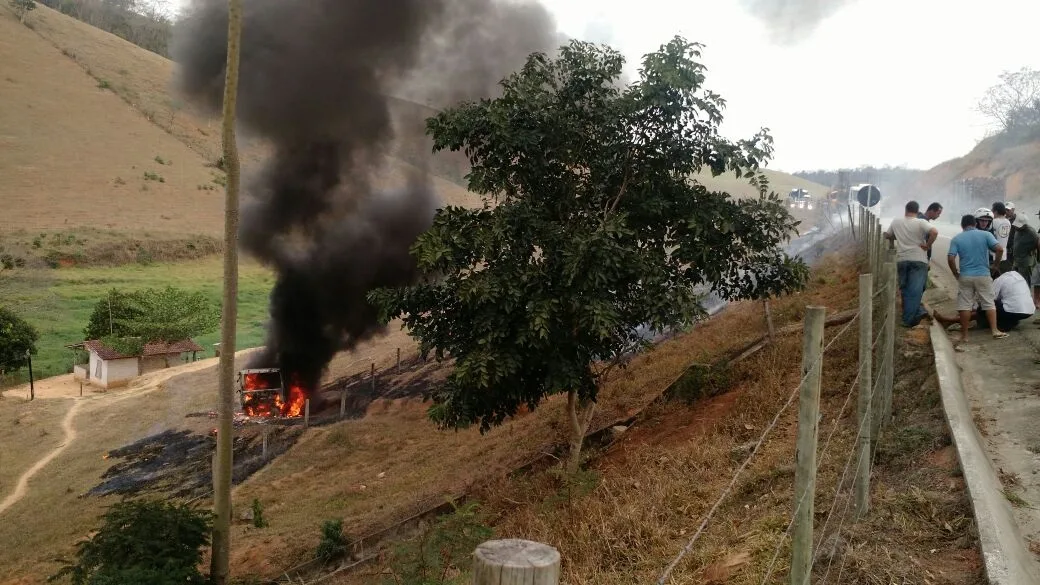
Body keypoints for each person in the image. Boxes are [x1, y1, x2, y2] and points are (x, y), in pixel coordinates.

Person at [947, 213, 1007, 344]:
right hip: (983, 275)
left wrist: (955, 273)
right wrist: (995, 265)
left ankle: (965, 336)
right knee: (988, 303)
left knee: (965, 305)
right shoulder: (985, 235)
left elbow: (951, 257)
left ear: (962, 225)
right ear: (975, 224)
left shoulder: (957, 238)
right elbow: (1000, 249)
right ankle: (995, 331)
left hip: (965, 276)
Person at [884, 201, 938, 327]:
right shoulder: (921, 222)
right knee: (916, 290)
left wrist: (895, 237)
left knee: (905, 289)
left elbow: (888, 235)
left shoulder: (896, 221)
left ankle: (913, 314)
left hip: (902, 259)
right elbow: (934, 232)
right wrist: (927, 245)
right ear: (917, 211)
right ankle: (909, 319)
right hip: (918, 260)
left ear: (905, 210)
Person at [933, 265, 1034, 332]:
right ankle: (1005, 324)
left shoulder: (999, 280)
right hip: (1028, 311)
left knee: (985, 308)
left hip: (1013, 310)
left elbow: (987, 301)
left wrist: (971, 309)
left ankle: (950, 320)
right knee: (996, 306)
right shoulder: (1016, 276)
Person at [992, 202, 1012, 268]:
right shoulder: (1008, 222)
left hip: (994, 254)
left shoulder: (993, 222)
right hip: (1003, 254)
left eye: (992, 210)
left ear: (996, 211)